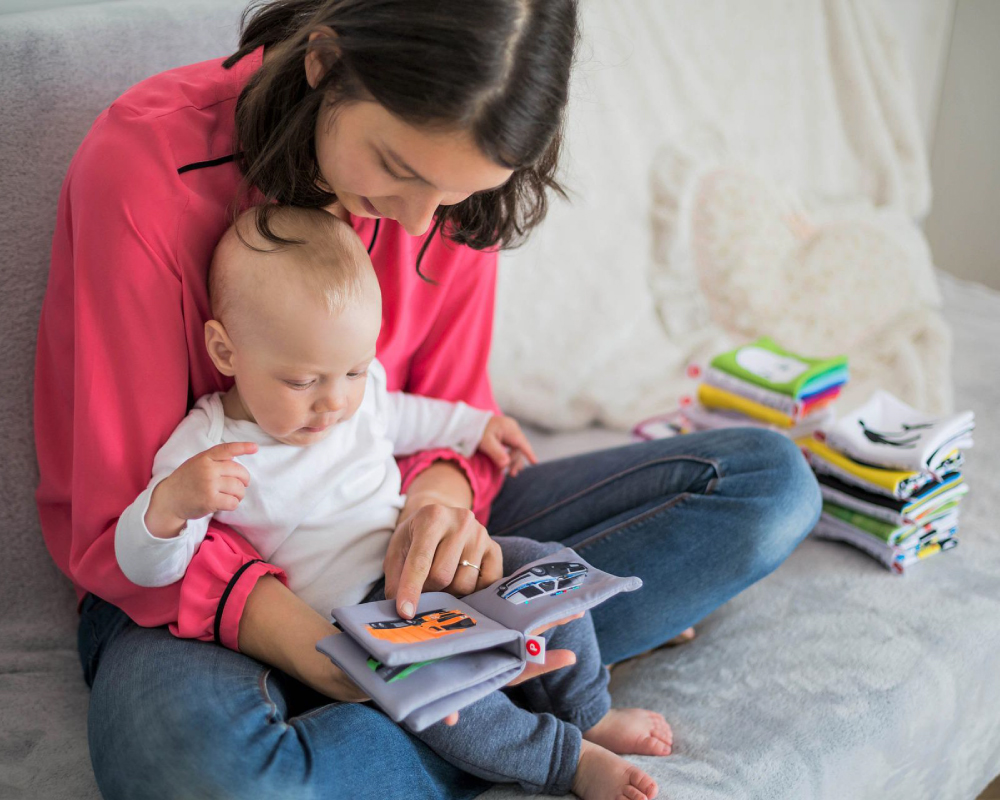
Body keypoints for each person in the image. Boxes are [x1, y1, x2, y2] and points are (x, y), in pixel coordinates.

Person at [34, 1, 822, 797]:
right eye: (399, 170)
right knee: (211, 779)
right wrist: (319, 649)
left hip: (394, 552)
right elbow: (127, 518)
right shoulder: (143, 169)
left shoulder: (449, 193)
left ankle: (461, 694)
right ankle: (498, 709)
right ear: (325, 61)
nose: (420, 221)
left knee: (770, 487)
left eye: (454, 194)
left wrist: (438, 512)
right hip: (188, 589)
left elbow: (447, 414)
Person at [113, 204, 672, 797]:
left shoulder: (356, 392)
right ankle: (564, 759)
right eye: (302, 382)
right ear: (226, 352)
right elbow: (147, 569)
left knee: (547, 565)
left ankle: (588, 710)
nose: (334, 403)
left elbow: (405, 415)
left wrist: (473, 425)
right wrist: (171, 505)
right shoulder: (209, 443)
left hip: (425, 561)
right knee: (443, 696)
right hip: (363, 617)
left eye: (354, 372)